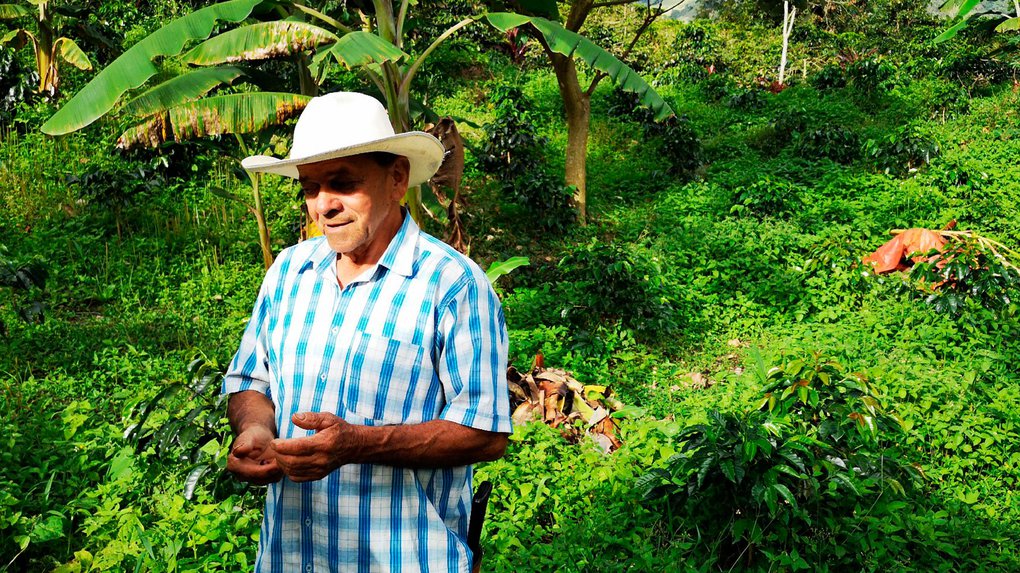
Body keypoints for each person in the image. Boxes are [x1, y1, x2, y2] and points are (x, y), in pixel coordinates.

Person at [222, 92, 512, 573]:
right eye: (311, 187)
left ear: (397, 178)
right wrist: (255, 428)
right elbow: (251, 379)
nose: (323, 206)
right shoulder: (289, 273)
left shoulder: (452, 285)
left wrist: (358, 443)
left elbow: (484, 432)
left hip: (407, 558)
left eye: (343, 184)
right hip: (288, 558)